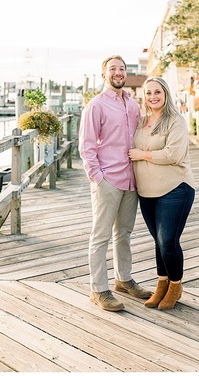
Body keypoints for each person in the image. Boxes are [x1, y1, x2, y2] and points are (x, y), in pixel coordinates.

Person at [79, 55, 152, 312]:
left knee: (124, 234)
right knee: (100, 236)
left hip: (131, 181)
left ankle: (123, 280)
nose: (118, 72)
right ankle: (98, 289)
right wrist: (98, 178)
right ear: (104, 75)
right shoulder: (96, 106)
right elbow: (86, 147)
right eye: (113, 69)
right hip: (108, 180)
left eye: (122, 69)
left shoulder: (132, 105)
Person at [128, 77, 196, 310]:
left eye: (157, 92)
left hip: (175, 188)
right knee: (158, 241)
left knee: (168, 241)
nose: (153, 97)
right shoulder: (142, 120)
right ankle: (162, 283)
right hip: (147, 192)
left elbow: (173, 155)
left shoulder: (175, 121)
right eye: (148, 93)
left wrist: (141, 154)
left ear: (166, 93)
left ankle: (175, 286)